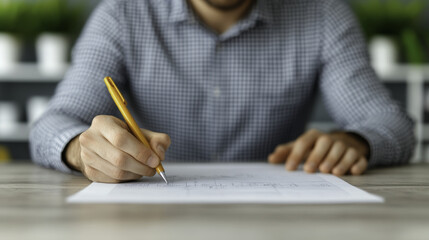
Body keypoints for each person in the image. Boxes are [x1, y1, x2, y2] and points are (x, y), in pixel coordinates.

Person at [30, 0, 415, 183]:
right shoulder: (122, 15)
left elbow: (391, 124)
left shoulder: (324, 16)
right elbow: (51, 124)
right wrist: (81, 149)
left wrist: (355, 140)